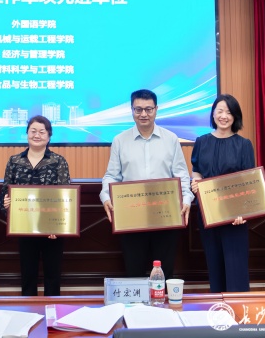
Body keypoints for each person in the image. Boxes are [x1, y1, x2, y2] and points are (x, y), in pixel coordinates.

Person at [100, 89, 194, 280]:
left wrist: (186, 199)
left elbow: (181, 174)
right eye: (138, 109)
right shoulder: (120, 140)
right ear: (132, 110)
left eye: (148, 109)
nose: (143, 114)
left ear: (156, 109)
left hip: (166, 215)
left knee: (164, 272)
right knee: (134, 270)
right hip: (131, 216)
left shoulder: (171, 139)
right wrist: (106, 197)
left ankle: (163, 301)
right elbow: (112, 175)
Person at [0, 115, 71, 296]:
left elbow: (65, 196)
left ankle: (52, 309)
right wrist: (6, 203)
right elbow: (4, 193)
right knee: (28, 274)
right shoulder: (14, 161)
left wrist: (59, 226)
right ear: (27, 134)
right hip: (24, 226)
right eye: (33, 131)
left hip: (52, 229)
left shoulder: (58, 161)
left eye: (42, 131)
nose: (37, 135)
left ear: (49, 136)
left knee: (52, 275)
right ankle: (28, 310)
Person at [190, 94, 254, 293]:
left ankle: (238, 308)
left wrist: (243, 212)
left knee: (236, 267)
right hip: (208, 212)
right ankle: (218, 308)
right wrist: (195, 181)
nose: (224, 116)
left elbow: (249, 180)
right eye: (220, 111)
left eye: (228, 112)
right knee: (214, 264)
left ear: (235, 116)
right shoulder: (201, 142)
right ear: (213, 114)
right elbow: (197, 170)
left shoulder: (244, 144)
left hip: (235, 215)